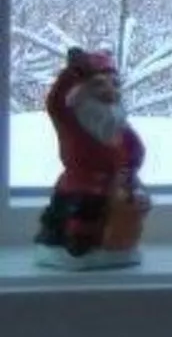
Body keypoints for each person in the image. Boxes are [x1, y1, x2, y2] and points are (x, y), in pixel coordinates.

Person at [35, 47, 150, 258]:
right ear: (82, 91)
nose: (109, 91)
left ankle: (92, 241)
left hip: (111, 188)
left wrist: (130, 174)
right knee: (72, 214)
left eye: (114, 85)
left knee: (104, 219)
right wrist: (72, 72)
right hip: (76, 184)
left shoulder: (117, 127)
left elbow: (135, 152)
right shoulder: (72, 120)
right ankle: (64, 237)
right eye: (99, 85)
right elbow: (55, 102)